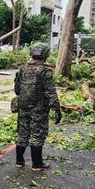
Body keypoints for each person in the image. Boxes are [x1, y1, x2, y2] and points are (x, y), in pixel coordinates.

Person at [14, 43, 61, 171]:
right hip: (39, 110)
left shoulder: (22, 69)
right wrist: (57, 109)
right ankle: (36, 164)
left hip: (23, 107)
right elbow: (51, 92)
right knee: (37, 135)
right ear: (45, 55)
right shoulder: (45, 72)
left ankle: (19, 161)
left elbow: (17, 89)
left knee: (22, 134)